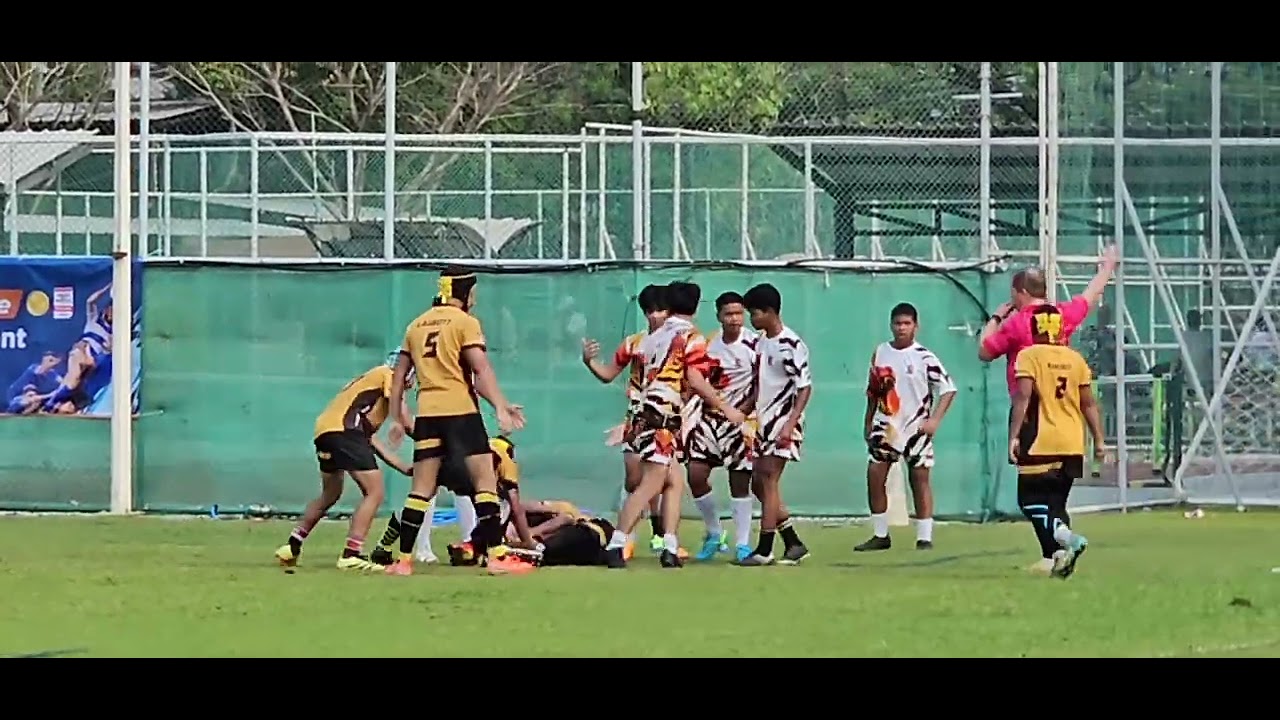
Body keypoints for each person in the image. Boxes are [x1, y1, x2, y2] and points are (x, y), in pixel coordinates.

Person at [385, 268, 530, 577]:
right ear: (465, 292)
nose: (475, 299)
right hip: (461, 413)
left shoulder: (416, 325)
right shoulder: (465, 323)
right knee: (484, 482)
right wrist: (500, 407)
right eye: (473, 292)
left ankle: (403, 561)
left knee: (421, 489)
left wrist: (397, 418)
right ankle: (497, 555)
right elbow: (480, 370)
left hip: (428, 414)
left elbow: (398, 379)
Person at [603, 280, 744, 569]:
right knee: (649, 485)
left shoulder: (651, 337)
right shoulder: (691, 337)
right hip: (663, 418)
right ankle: (617, 543)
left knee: (674, 482)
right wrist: (726, 408)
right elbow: (694, 378)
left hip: (647, 414)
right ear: (696, 306)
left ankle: (669, 545)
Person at [274, 352, 413, 572]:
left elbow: (369, 440)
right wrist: (426, 437)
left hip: (326, 432)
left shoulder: (369, 386)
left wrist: (404, 468)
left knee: (330, 493)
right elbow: (401, 411)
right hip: (344, 433)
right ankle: (351, 554)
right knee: (374, 492)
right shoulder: (388, 374)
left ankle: (292, 545)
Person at [1008, 305, 1106, 579]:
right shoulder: (1075, 359)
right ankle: (1058, 559)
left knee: (1028, 501)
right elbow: (1088, 403)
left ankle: (1068, 539)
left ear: (1034, 328)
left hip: (1041, 440)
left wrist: (1014, 435)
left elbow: (1023, 398)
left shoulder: (1029, 356)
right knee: (1056, 505)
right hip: (1073, 442)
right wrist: (1099, 440)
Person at [856, 303, 957, 552]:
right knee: (875, 476)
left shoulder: (924, 357)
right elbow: (873, 390)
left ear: (915, 326)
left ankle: (924, 537)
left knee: (919, 480)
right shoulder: (881, 352)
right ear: (891, 325)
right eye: (897, 323)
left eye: (906, 323)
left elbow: (948, 389)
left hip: (916, 427)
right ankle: (880, 534)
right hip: (887, 426)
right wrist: (868, 420)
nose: (901, 328)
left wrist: (934, 420)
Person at [581, 284, 669, 558]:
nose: (655, 316)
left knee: (660, 477)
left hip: (665, 419)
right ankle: (643, 532)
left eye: (661, 310)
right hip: (636, 418)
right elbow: (608, 374)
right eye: (650, 311)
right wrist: (589, 361)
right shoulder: (634, 343)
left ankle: (654, 536)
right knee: (634, 479)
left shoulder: (677, 344)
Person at [372, 435, 534, 567]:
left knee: (418, 504)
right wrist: (528, 542)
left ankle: (383, 546)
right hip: (469, 471)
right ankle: (483, 550)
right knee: (502, 505)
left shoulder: (478, 443)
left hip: (444, 461)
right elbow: (516, 507)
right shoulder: (506, 456)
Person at [979, 246, 1117, 397]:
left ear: (1023, 292)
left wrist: (996, 318)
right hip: (1059, 401)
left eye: (1014, 293)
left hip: (1028, 403)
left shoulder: (1016, 324)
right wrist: (1107, 268)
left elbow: (985, 352)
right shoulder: (1062, 315)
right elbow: (1091, 294)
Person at [738, 283, 811, 567]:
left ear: (769, 312)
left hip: (783, 423)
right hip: (763, 424)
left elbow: (804, 388)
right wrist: (742, 412)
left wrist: (790, 424)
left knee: (768, 481)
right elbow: (760, 385)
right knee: (759, 484)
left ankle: (764, 549)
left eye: (754, 313)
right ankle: (793, 542)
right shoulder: (761, 342)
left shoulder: (791, 345)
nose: (751, 319)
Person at [684, 291, 760, 562]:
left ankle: (743, 544)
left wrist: (743, 412)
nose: (735, 319)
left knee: (739, 481)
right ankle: (715, 532)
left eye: (739, 313)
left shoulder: (755, 344)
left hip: (741, 421)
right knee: (695, 474)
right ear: (719, 316)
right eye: (729, 314)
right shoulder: (709, 344)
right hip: (710, 420)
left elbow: (761, 383)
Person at [42, 284, 113, 413]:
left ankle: (56, 405)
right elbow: (90, 301)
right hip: (81, 351)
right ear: (107, 310)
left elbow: (108, 350)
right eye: (111, 310)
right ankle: (50, 404)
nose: (112, 314)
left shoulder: (112, 333)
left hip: (92, 360)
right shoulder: (94, 320)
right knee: (73, 379)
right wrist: (109, 287)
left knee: (74, 383)